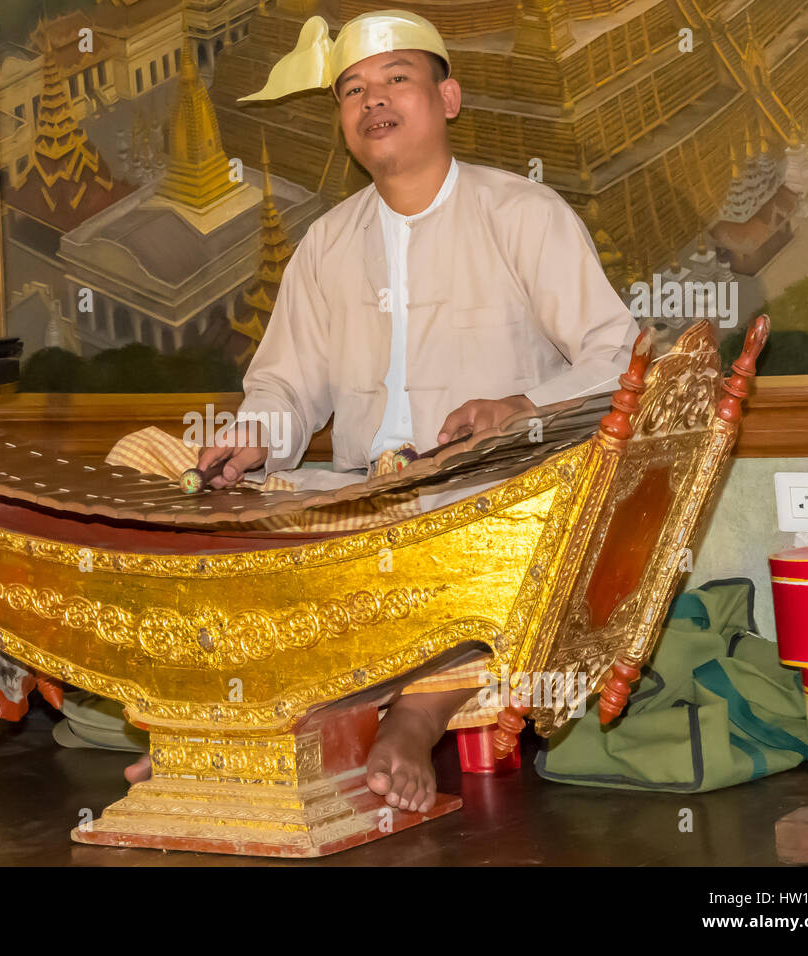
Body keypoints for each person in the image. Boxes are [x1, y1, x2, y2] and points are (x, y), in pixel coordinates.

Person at [123, 8, 640, 814]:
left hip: (488, 495)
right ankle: (224, 738)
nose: (373, 101)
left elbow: (618, 358)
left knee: (482, 554)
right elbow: (287, 386)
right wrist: (255, 441)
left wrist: (518, 405)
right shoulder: (327, 244)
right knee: (175, 493)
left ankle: (414, 722)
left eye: (397, 78)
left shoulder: (523, 217)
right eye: (353, 90)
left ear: (449, 99)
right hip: (362, 497)